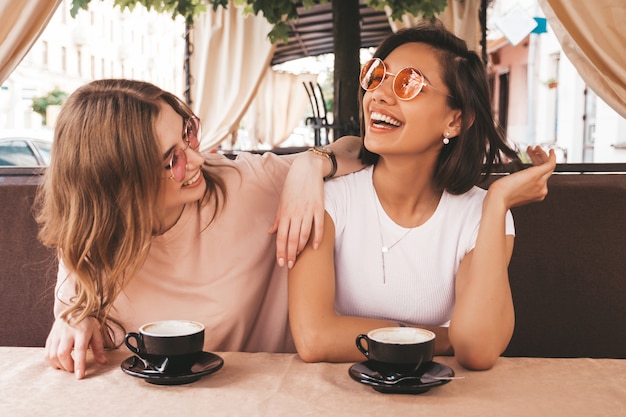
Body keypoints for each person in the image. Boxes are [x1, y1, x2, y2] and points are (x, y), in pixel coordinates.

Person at [37, 79, 364, 379]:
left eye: (187, 134)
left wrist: (311, 163)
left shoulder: (244, 183)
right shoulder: (87, 239)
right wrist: (74, 320)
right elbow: (76, 317)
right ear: (119, 184)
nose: (196, 158)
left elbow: (360, 149)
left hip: (260, 395)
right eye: (171, 160)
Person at [287, 20, 556, 371]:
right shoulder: (326, 201)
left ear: (456, 121)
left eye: (409, 84)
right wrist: (442, 338)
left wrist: (497, 201)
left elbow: (476, 350)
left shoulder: (481, 214)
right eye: (377, 75)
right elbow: (314, 338)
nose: (380, 94)